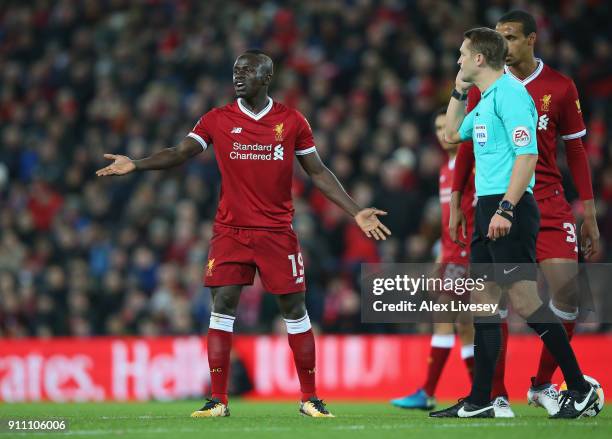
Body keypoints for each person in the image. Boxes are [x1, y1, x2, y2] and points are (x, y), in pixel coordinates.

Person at [96, 49, 391, 418]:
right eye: (236, 69)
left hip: (276, 231)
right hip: (230, 231)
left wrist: (355, 210)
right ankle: (218, 400)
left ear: (266, 77)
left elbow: (317, 171)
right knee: (222, 308)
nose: (239, 75)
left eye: (248, 70)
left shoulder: (292, 120)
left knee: (295, 309)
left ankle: (309, 398)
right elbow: (181, 151)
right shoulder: (218, 119)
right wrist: (136, 164)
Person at [430, 27, 599, 419]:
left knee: (524, 300)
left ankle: (577, 386)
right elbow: (454, 133)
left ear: (478, 59)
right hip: (485, 207)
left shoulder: (512, 97)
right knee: (484, 305)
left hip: (511, 208)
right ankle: (482, 400)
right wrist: (457, 91)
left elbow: (527, 155)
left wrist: (506, 208)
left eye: (461, 54)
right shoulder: (486, 99)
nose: (456, 61)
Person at [390, 108, 476, 411]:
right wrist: (440, 256)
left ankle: (427, 391)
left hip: (467, 257)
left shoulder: (472, 165)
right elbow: (445, 223)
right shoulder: (445, 169)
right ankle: (485, 393)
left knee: (442, 321)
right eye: (438, 128)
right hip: (451, 256)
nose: (443, 133)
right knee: (465, 328)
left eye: (447, 126)